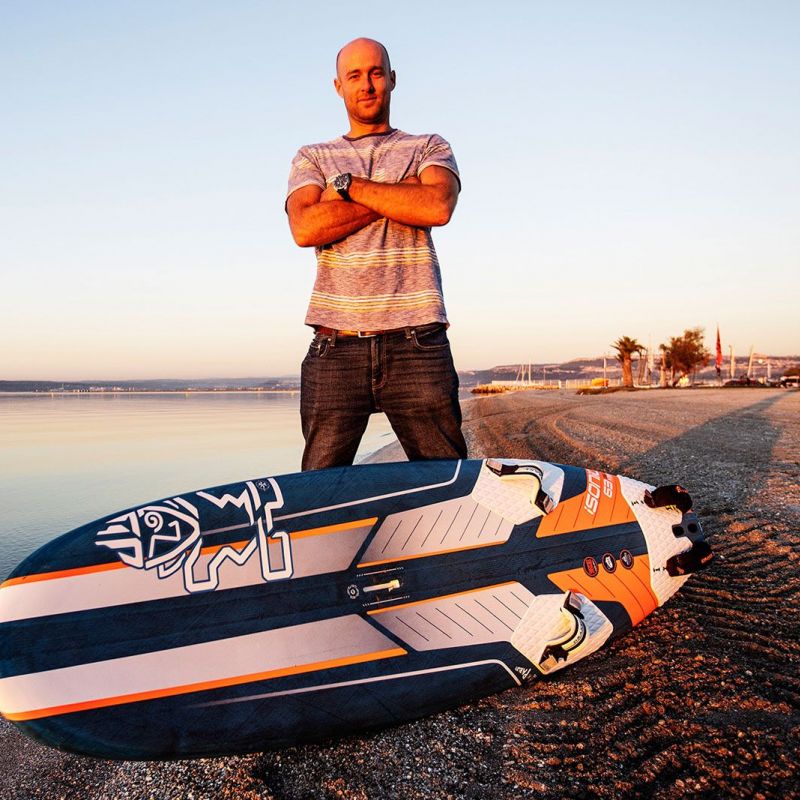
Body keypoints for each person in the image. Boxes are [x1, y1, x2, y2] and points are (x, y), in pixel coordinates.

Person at [286, 37, 467, 471]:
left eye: (374, 72)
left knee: (451, 486)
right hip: (336, 347)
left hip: (417, 344)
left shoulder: (429, 146)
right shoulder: (312, 156)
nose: (366, 84)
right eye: (354, 76)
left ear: (391, 79)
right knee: (316, 495)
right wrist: (401, 192)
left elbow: (436, 207)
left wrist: (346, 189)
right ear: (338, 86)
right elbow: (305, 228)